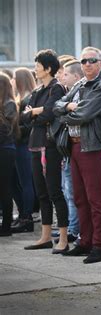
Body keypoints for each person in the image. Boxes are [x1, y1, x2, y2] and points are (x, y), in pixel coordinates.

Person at [54, 46, 101, 264]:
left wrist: (66, 112)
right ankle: (85, 242)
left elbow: (83, 114)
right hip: (75, 146)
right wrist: (69, 107)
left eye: (92, 60)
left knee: (96, 199)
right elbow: (56, 106)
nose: (87, 64)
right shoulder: (80, 84)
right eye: (84, 61)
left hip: (93, 147)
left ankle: (99, 246)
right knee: (80, 198)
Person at [21, 49, 68, 253]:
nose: (35, 70)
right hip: (35, 144)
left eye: (38, 66)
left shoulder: (57, 89)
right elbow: (24, 117)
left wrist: (35, 113)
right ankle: (45, 236)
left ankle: (64, 238)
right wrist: (35, 114)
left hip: (50, 146)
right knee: (42, 193)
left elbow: (50, 113)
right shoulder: (38, 90)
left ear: (48, 68)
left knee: (54, 192)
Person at [57, 60, 84, 243]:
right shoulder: (68, 93)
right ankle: (72, 228)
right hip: (68, 147)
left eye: (65, 74)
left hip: (81, 145)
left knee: (75, 193)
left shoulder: (81, 91)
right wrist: (65, 109)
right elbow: (56, 109)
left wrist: (64, 112)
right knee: (68, 191)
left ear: (76, 76)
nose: (62, 77)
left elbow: (78, 115)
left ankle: (75, 229)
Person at [10, 68, 36, 233]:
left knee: (26, 183)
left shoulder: (29, 99)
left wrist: (13, 129)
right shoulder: (21, 99)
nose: (12, 81)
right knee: (17, 182)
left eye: (13, 78)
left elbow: (29, 126)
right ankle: (22, 215)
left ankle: (27, 218)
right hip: (18, 145)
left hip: (24, 146)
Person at [0, 73, 19, 237]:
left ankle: (6, 226)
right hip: (4, 147)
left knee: (5, 187)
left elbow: (6, 129)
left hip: (5, 149)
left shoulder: (9, 103)